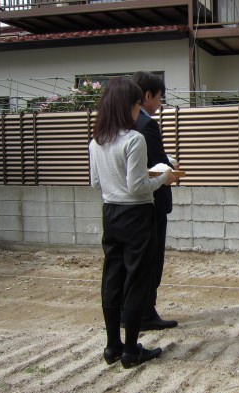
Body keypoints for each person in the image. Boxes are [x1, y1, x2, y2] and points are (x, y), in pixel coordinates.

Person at [89, 77, 177, 368]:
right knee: (137, 278)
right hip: (137, 215)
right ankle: (130, 350)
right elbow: (137, 187)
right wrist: (165, 177)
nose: (141, 110)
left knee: (113, 278)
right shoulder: (134, 139)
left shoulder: (97, 140)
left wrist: (140, 177)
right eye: (139, 104)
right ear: (129, 106)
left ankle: (112, 346)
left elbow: (96, 181)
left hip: (110, 213)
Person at [131, 71, 178, 330]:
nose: (160, 104)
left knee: (133, 262)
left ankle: (133, 312)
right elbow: (156, 162)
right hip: (151, 199)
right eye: (159, 98)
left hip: (123, 205)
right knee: (152, 258)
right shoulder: (147, 124)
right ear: (147, 96)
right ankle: (146, 312)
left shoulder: (118, 124)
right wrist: (171, 165)